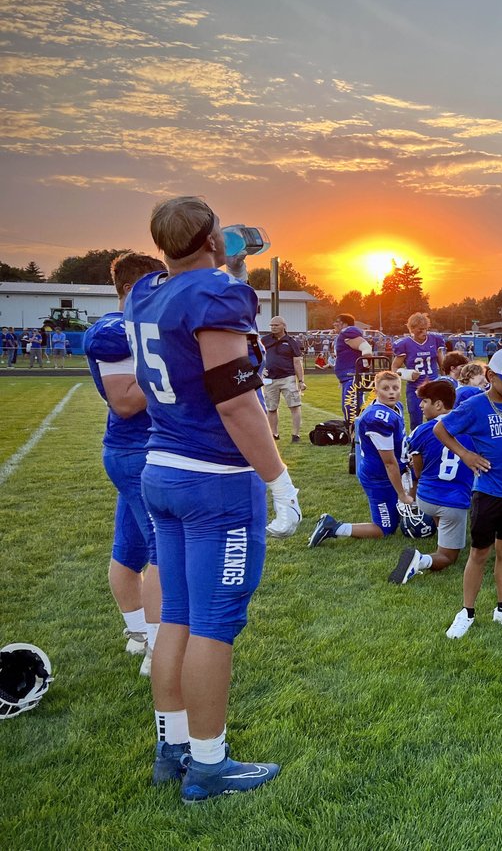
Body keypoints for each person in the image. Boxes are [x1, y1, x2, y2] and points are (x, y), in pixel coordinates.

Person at [127, 196, 301, 802]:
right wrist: (279, 480)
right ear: (209, 240)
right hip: (214, 481)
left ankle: (172, 746)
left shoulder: (144, 290)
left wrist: (230, 266)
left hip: (161, 468)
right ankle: (208, 764)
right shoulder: (217, 294)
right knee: (213, 625)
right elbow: (235, 401)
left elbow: (192, 296)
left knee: (175, 615)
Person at [83, 252, 167, 678]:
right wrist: (180, 377)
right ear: (133, 289)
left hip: (136, 450)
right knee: (164, 553)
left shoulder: (137, 327)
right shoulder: (114, 331)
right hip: (138, 452)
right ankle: (157, 647)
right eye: (159, 286)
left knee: (129, 550)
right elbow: (125, 401)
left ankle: (137, 633)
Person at [435, 348, 502, 638]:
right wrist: (465, 454)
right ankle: (467, 612)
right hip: (488, 492)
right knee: (480, 552)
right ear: (491, 376)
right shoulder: (475, 406)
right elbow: (441, 429)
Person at [308, 371, 412, 549]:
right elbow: (389, 462)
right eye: (385, 388)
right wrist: (401, 494)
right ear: (376, 390)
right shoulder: (378, 419)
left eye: (395, 388)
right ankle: (333, 527)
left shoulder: (396, 407)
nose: (391, 392)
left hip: (392, 471)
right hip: (379, 477)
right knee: (385, 529)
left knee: (401, 514)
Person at [393, 380, 477, 583]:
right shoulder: (472, 430)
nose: (421, 405)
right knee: (448, 557)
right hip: (453, 501)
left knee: (443, 517)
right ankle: (420, 560)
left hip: (425, 497)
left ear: (438, 404)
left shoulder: (421, 430)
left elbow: (418, 470)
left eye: (425, 401)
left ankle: (444, 533)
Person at [391, 312, 446, 431]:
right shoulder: (404, 344)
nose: (424, 332)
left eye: (426, 329)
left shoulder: (435, 339)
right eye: (420, 329)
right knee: (416, 421)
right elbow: (394, 368)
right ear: (412, 329)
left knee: (436, 421)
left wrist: (446, 380)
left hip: (434, 387)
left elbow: (442, 365)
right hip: (415, 388)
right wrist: (407, 374)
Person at [261, 316, 306, 443]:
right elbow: (258, 356)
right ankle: (273, 434)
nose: (273, 327)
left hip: (287, 377)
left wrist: (301, 381)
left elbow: (297, 362)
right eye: (271, 325)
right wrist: (260, 369)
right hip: (269, 379)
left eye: (276, 325)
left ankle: (295, 435)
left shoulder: (291, 342)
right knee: (271, 408)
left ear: (283, 326)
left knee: (294, 406)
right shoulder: (264, 340)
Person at [334, 313, 372, 421]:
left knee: (351, 409)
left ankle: (356, 430)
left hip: (352, 376)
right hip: (348, 377)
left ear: (345, 324)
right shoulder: (342, 336)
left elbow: (366, 349)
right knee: (349, 409)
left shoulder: (347, 332)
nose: (334, 324)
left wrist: (365, 366)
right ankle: (353, 429)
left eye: (337, 321)